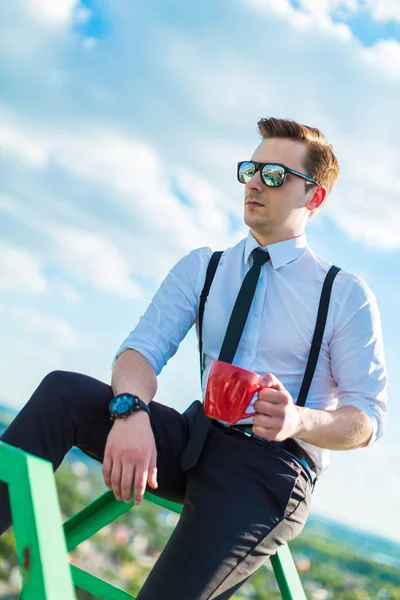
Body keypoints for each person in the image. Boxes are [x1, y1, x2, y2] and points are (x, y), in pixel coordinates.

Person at [0, 117, 387, 599]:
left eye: (274, 175)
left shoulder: (344, 294)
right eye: (251, 169)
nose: (254, 183)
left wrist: (298, 420)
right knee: (63, 393)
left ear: (314, 197)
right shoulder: (205, 267)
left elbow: (366, 419)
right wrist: (131, 410)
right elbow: (140, 351)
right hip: (195, 437)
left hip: (268, 471)